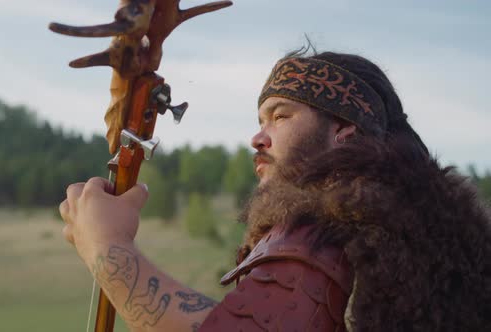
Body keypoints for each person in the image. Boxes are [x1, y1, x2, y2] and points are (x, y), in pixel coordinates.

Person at [59, 49, 491, 331]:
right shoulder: (409, 232)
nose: (257, 138)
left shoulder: (340, 221)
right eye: (261, 120)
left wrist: (108, 248)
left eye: (280, 116)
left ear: (342, 128)